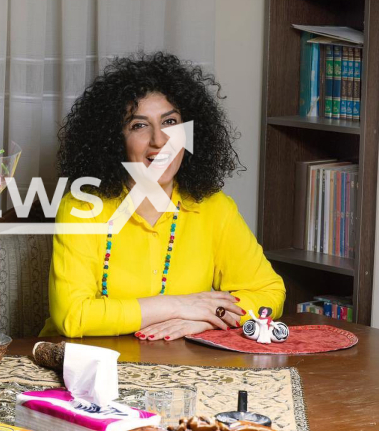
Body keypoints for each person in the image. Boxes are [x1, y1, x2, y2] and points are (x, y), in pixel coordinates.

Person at [40, 52, 285, 340]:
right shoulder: (81, 207)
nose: (159, 140)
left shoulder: (215, 208)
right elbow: (74, 315)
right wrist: (180, 306)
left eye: (170, 122)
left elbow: (269, 292)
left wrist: (207, 319)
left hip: (186, 364)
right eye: (139, 125)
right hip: (91, 365)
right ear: (114, 140)